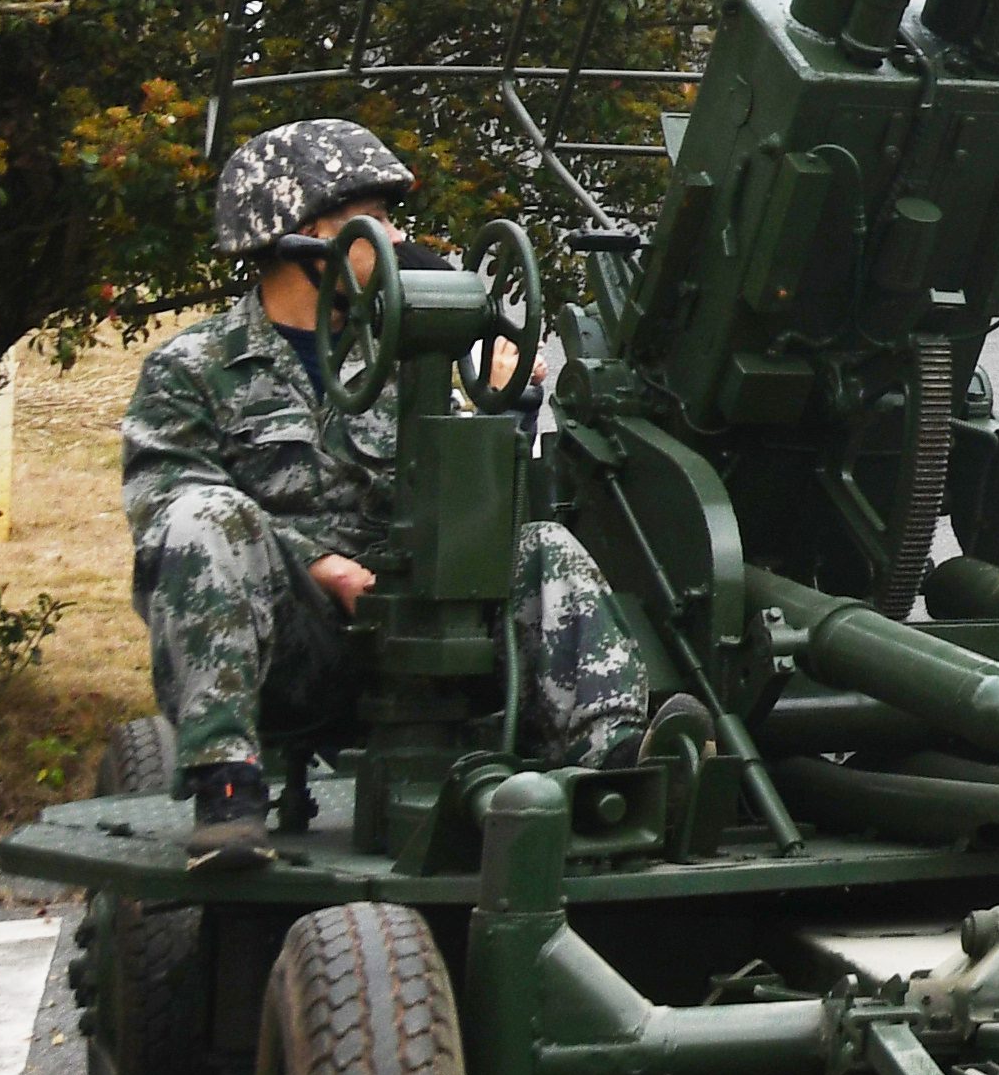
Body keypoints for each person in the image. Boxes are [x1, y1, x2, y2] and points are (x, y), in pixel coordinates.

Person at [121, 117, 652, 861]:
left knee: (541, 549)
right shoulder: (192, 368)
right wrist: (316, 563)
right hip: (289, 642)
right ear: (310, 239)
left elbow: (462, 517)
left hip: (414, 628)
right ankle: (229, 788)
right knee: (204, 516)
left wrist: (499, 414)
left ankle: (614, 767)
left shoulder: (409, 362)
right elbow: (164, 499)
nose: (398, 241)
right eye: (376, 220)